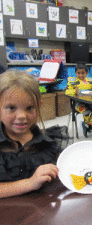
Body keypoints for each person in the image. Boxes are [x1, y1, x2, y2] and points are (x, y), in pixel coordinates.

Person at [0, 70, 60, 198]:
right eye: (11, 108)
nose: (22, 116)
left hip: (40, 211)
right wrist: (30, 183)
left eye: (29, 108)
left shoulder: (47, 144)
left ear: (39, 106)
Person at [65, 63, 92, 137]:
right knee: (86, 112)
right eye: (78, 73)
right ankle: (86, 125)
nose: (81, 75)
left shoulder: (90, 80)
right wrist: (74, 91)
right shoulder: (72, 81)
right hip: (77, 103)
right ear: (75, 73)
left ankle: (88, 125)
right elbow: (67, 92)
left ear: (86, 73)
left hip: (89, 101)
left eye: (83, 73)